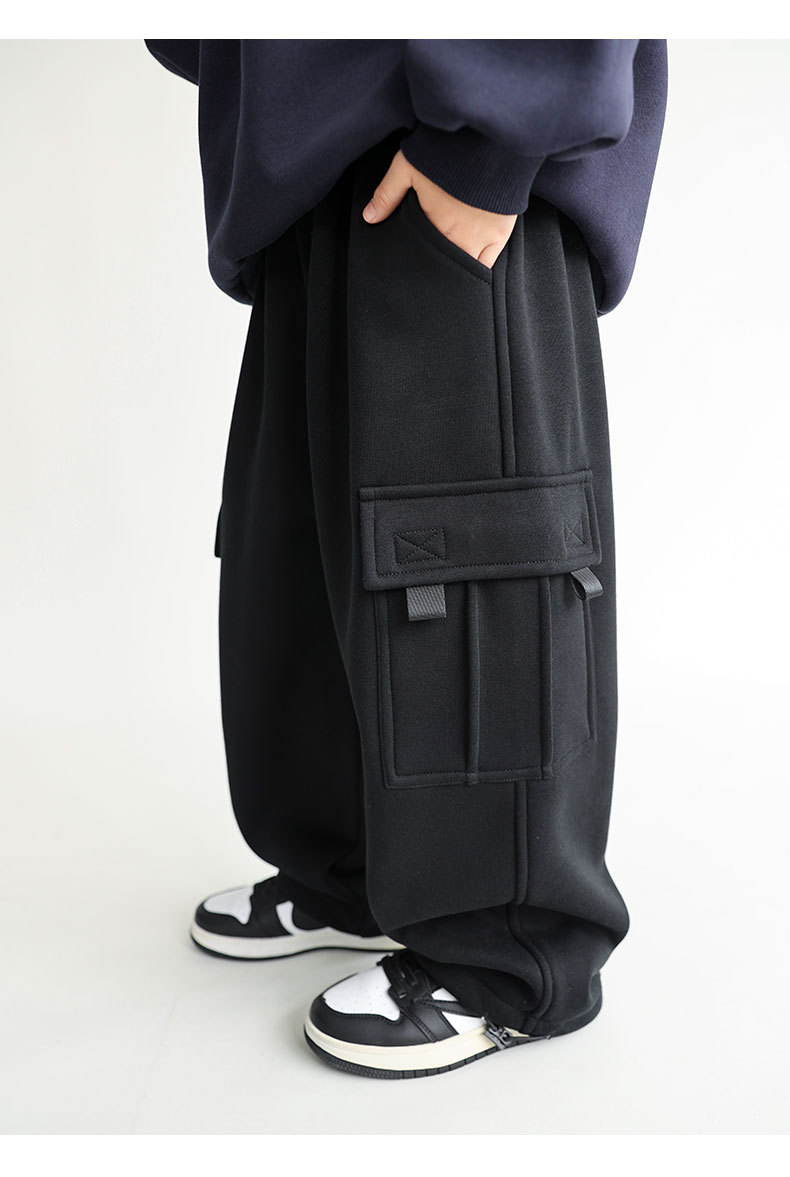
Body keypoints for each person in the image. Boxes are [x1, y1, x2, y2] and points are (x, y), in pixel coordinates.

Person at [145, 38, 667, 1079]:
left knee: (472, 574)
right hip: (311, 170)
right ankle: (351, 872)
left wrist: (493, 145)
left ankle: (509, 955)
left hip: (458, 144)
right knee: (305, 559)